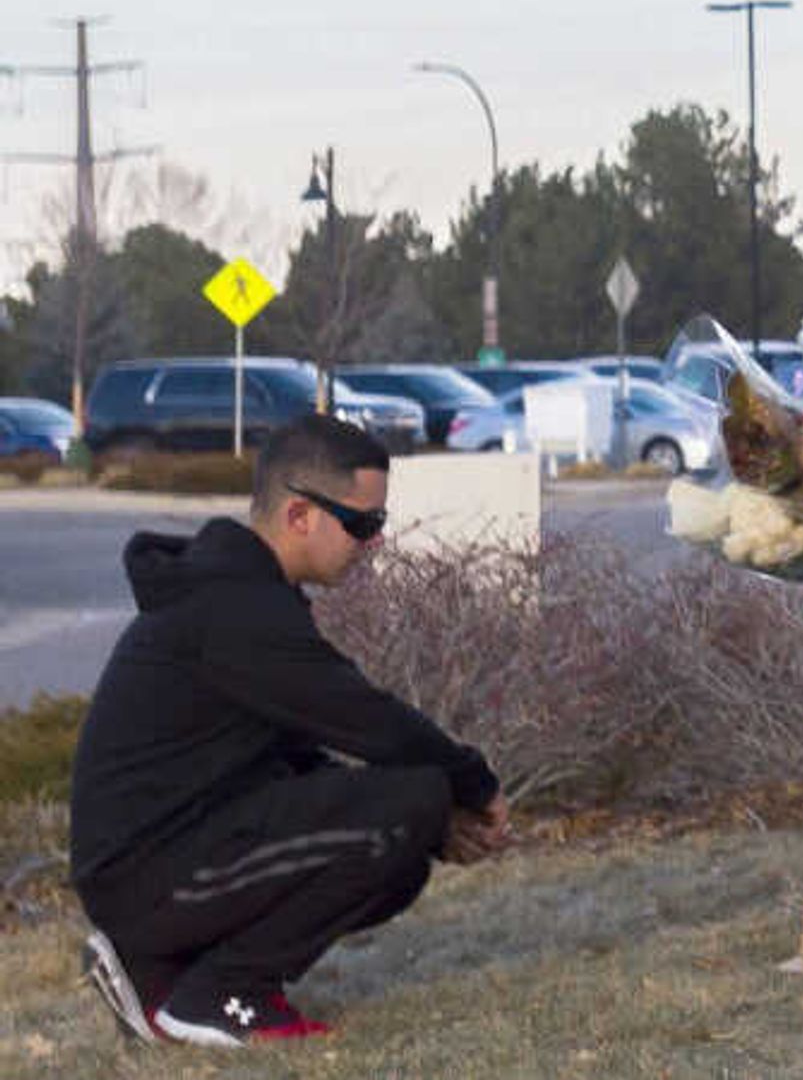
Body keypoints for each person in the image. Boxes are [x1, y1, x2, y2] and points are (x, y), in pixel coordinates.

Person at [69, 412, 507, 1047]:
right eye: (364, 523)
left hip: (157, 863)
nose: (375, 541)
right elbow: (370, 722)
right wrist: (475, 785)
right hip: (144, 879)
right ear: (300, 515)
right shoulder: (236, 612)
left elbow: (297, 757)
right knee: (407, 806)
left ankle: (171, 973)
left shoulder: (241, 596)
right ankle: (219, 995)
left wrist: (437, 823)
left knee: (406, 830)